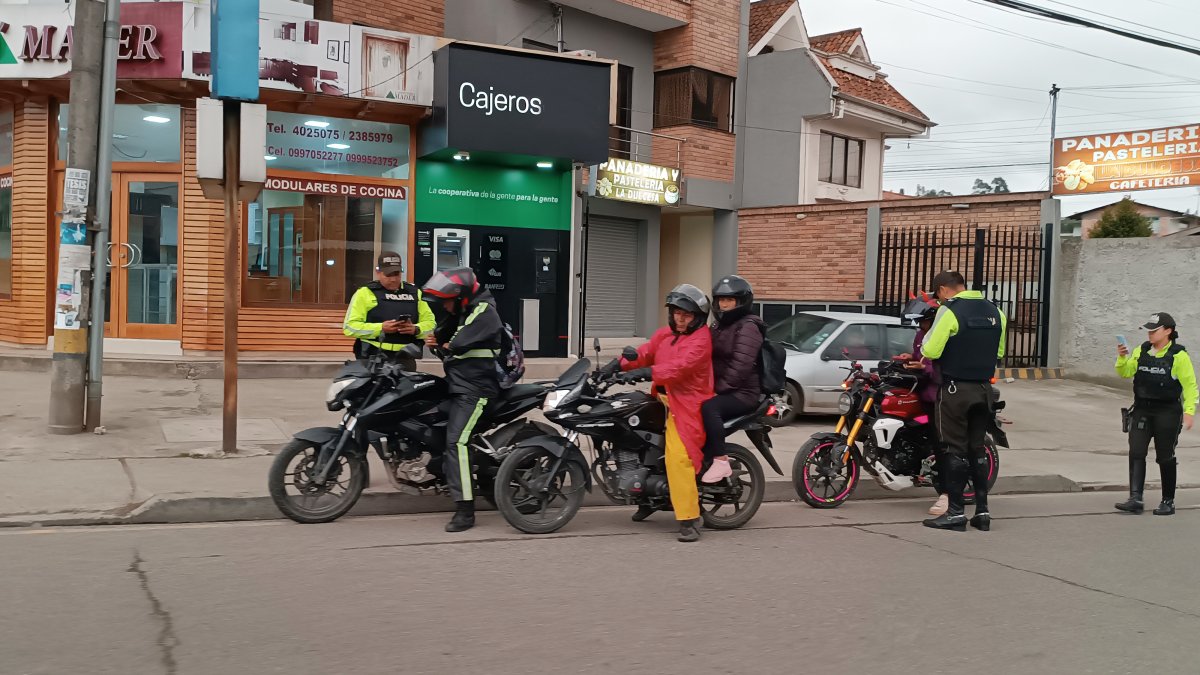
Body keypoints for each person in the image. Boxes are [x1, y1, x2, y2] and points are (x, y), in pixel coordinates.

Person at [618, 284, 714, 542]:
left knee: (678, 458)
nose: (680, 319)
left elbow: (679, 367)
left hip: (687, 405)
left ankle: (689, 518)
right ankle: (648, 497)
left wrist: (645, 372)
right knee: (633, 435)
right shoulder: (665, 334)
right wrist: (617, 365)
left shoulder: (701, 340)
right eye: (676, 313)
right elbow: (645, 353)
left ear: (698, 317)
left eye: (687, 315)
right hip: (660, 400)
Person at [920, 270, 1006, 532]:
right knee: (976, 449)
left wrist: (927, 342)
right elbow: (1000, 352)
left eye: (938, 295)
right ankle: (982, 512)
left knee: (953, 449)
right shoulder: (996, 311)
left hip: (955, 391)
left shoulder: (949, 311)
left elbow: (931, 350)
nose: (940, 300)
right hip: (984, 390)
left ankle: (956, 513)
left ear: (944, 290)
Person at [422, 268, 504, 533]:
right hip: (460, 384)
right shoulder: (463, 311)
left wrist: (445, 343)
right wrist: (436, 340)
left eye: (447, 301)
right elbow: (446, 338)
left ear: (461, 297)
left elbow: (458, 343)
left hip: (476, 389)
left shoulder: (484, 311)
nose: (444, 306)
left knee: (456, 442)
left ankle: (465, 510)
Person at [1114, 313, 1197, 516]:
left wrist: (1189, 412)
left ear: (1168, 331)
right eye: (1148, 330)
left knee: (1165, 456)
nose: (1150, 334)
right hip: (1142, 410)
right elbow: (1125, 372)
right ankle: (1135, 499)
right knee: (1136, 451)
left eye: (1154, 330)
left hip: (1167, 413)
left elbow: (1190, 386)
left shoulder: (1179, 356)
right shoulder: (1141, 350)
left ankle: (1168, 501)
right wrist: (1122, 357)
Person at [701, 275, 765, 483]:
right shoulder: (718, 325)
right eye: (721, 299)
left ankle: (720, 461)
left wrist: (718, 389)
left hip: (743, 393)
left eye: (729, 300)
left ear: (741, 302)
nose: (724, 304)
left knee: (709, 408)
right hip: (722, 388)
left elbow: (741, 365)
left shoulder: (748, 327)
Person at [342, 251, 435, 371]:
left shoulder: (415, 293)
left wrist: (416, 329)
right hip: (372, 357)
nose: (393, 279)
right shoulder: (365, 293)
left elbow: (431, 324)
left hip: (405, 357)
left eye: (397, 274)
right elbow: (349, 327)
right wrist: (381, 328)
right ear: (378, 272)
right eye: (388, 275)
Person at [899, 297, 946, 515]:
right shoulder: (920, 334)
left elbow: (940, 365)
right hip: (921, 391)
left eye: (923, 321)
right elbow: (921, 356)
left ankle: (946, 491)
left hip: (937, 394)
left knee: (940, 440)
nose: (920, 325)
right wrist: (910, 358)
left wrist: (924, 368)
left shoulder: (941, 333)